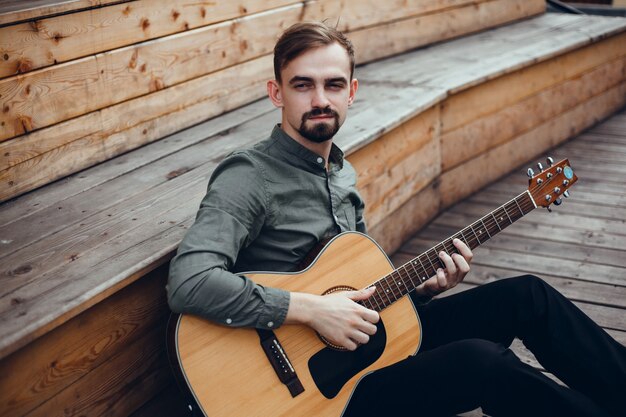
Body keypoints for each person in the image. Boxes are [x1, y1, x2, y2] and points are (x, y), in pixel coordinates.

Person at [167, 22, 626, 417]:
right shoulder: (250, 176)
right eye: (302, 85)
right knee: (485, 364)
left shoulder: (340, 172)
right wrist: (313, 310)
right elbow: (189, 282)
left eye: (332, 85)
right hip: (317, 397)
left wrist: (420, 289)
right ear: (276, 93)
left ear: (352, 91)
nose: (319, 99)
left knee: (528, 296)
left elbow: (360, 287)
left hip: (367, 353)